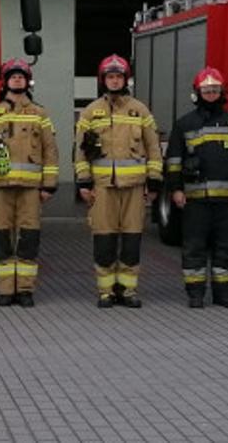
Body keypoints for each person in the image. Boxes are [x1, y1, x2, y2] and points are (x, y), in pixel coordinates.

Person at [73, 55, 162, 308]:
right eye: (110, 77)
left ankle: (129, 291)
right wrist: (83, 182)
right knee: (104, 239)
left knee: (132, 240)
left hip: (134, 187)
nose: (114, 81)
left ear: (126, 79)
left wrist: (154, 181)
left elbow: (153, 147)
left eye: (118, 77)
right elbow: (80, 150)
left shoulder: (140, 110)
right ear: (103, 80)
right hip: (102, 188)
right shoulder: (91, 112)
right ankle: (106, 291)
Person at [164, 67, 228, 308]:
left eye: (215, 90)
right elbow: (173, 161)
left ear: (221, 92)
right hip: (195, 199)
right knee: (194, 247)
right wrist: (176, 190)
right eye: (206, 90)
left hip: (227, 200)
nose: (211, 94)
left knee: (226, 248)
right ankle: (196, 294)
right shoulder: (184, 124)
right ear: (197, 93)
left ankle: (224, 295)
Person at [0, 58, 59, 307]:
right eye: (13, 76)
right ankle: (5, 290)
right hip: (0, 189)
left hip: (31, 190)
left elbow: (50, 150)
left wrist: (49, 185)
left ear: (27, 81)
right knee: (2, 238)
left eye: (21, 76)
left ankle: (25, 290)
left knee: (28, 238)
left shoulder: (39, 113)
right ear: (5, 81)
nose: (17, 80)